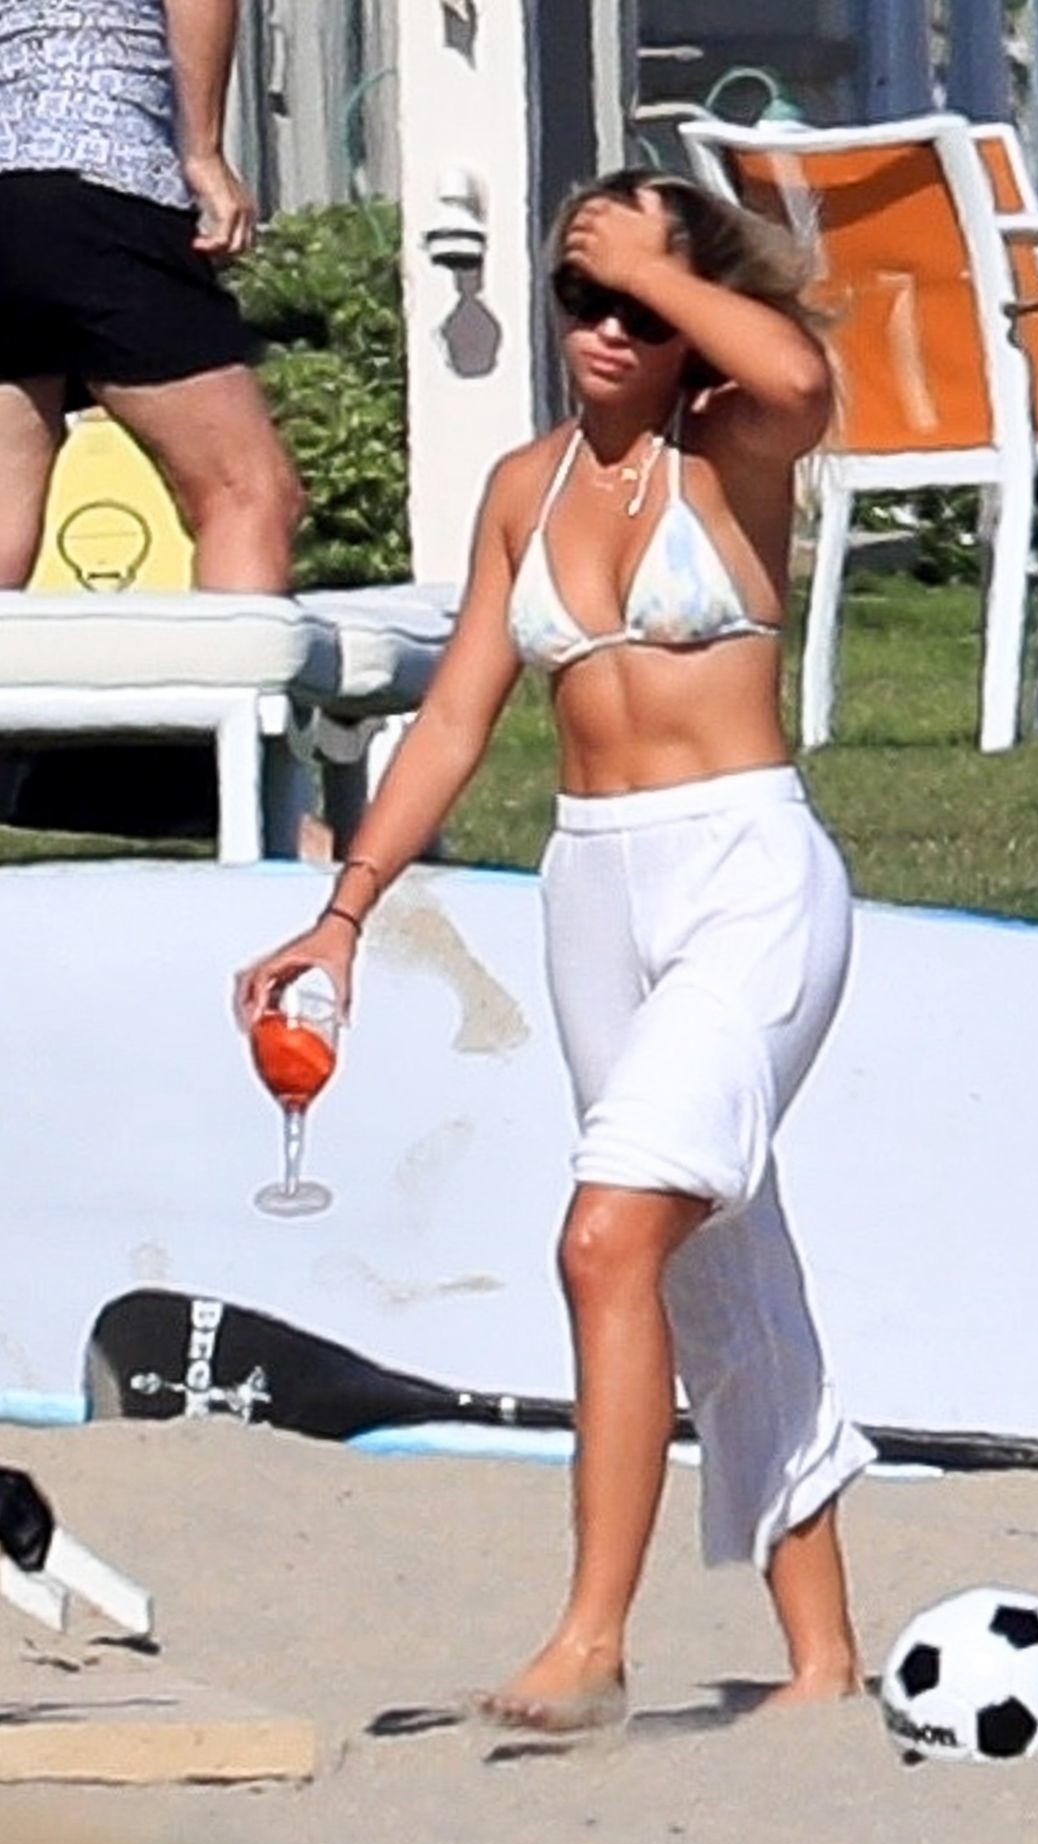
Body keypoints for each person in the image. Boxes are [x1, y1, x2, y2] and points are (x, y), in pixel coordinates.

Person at [235, 168, 876, 1732]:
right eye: (582, 298)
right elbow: (459, 715)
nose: (606, 329)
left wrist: (659, 265)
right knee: (708, 1263)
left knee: (605, 1238)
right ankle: (824, 1661)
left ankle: (592, 1642)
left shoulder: (732, 446)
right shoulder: (525, 488)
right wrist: (343, 910)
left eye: (639, 307)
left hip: (745, 874)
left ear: (690, 320)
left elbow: (802, 378)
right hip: (591, 890)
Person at [0, 0, 303, 591]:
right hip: (103, 173)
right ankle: (235, 656)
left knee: (4, 505)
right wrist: (203, 154)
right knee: (247, 493)